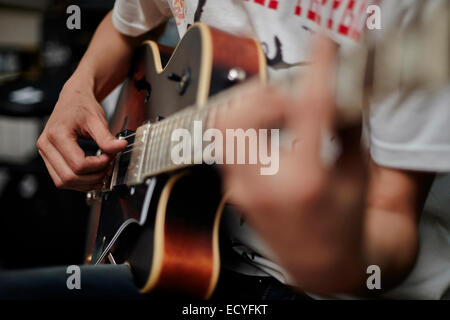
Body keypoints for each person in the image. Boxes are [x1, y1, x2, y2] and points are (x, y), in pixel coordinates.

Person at [31, 0, 450, 300]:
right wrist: (80, 84)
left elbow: (391, 215)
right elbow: (126, 24)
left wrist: (334, 262)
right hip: (177, 256)